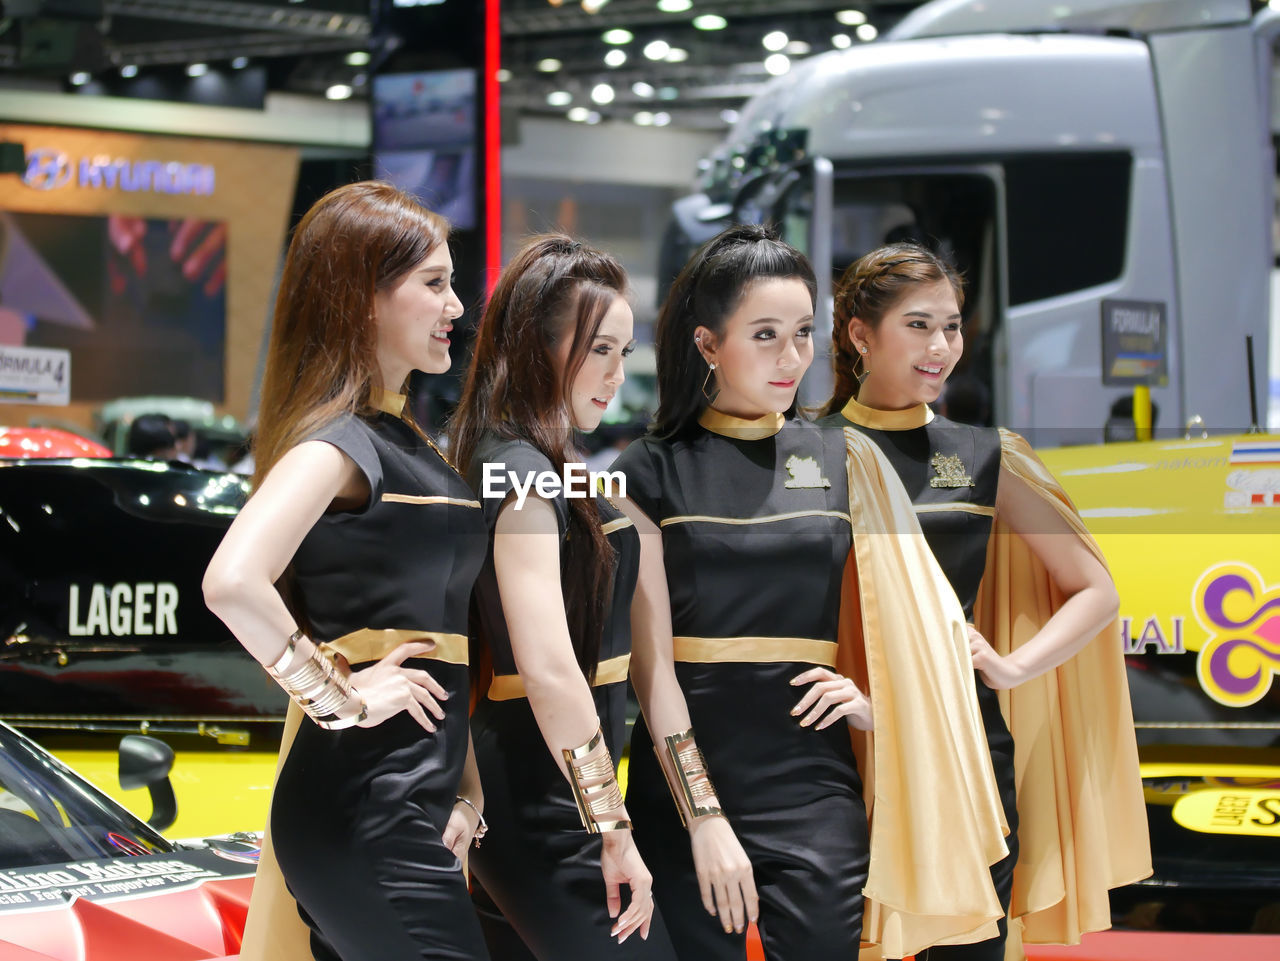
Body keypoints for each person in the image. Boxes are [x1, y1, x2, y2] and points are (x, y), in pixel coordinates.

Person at [612, 224, 1007, 961]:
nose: (792, 358)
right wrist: (703, 817)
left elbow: (918, 618)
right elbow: (652, 667)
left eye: (802, 333)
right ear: (706, 344)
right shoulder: (647, 471)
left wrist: (877, 705)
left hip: (815, 791)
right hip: (684, 785)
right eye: (766, 334)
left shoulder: (844, 454)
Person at [818, 242, 1151, 959]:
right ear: (858, 334)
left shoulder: (984, 454)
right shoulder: (807, 452)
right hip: (838, 755)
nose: (942, 346)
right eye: (918, 324)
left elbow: (1096, 589)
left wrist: (1010, 666)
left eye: (953, 324)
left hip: (966, 751)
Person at [202, 181, 491, 961]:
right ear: (363, 298)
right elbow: (231, 580)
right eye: (434, 283)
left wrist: (467, 791)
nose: (456, 306)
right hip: (364, 807)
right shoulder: (340, 443)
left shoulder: (402, 441)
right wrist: (341, 699)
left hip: (406, 806)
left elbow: (440, 633)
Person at [448, 235, 664, 960]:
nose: (615, 374)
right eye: (598, 348)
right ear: (537, 346)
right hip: (546, 799)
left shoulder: (531, 461)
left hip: (547, 784)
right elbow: (547, 666)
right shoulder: (519, 471)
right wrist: (611, 824)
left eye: (624, 353)